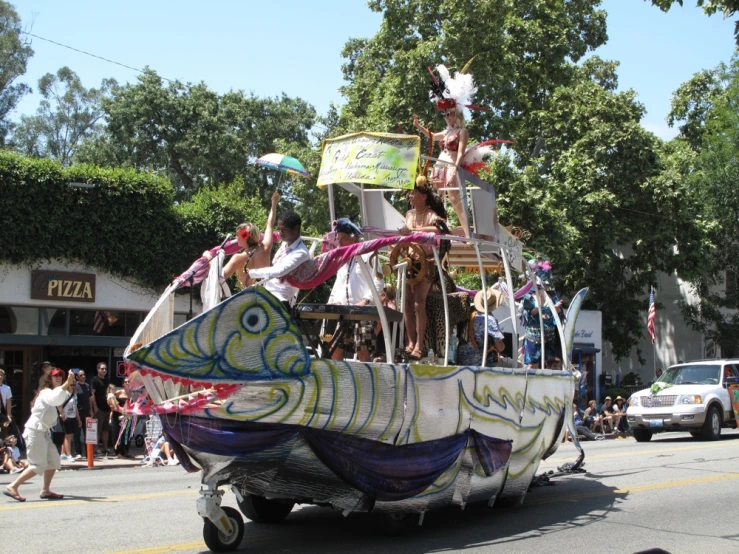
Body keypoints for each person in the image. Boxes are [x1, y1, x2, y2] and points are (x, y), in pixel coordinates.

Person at [4, 368, 77, 502]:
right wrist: (67, 382)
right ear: (50, 379)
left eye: (61, 375)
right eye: (56, 376)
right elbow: (55, 399)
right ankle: (13, 486)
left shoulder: (55, 392)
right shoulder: (45, 392)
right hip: (35, 430)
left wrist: (69, 384)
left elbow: (60, 398)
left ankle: (45, 490)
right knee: (38, 465)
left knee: (53, 461)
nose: (59, 377)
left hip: (44, 432)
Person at [398, 184, 447, 360]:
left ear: (424, 196)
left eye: (414, 194)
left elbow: (439, 229)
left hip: (426, 263)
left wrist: (413, 231)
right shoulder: (409, 214)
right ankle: (410, 343)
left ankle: (420, 345)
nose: (411, 197)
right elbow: (406, 233)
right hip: (410, 263)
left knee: (419, 303)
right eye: (410, 194)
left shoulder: (430, 214)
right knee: (407, 305)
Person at [327, 218, 384, 362]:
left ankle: (367, 383)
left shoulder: (369, 255)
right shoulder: (343, 259)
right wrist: (335, 301)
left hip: (364, 313)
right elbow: (338, 285)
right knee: (334, 349)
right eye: (337, 239)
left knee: (362, 351)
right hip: (345, 313)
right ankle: (341, 382)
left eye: (342, 239)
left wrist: (365, 301)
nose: (339, 243)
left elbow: (378, 282)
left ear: (353, 238)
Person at [213, 191, 280, 289]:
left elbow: (219, 277)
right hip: (265, 297)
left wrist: (209, 258)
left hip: (248, 299)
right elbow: (270, 225)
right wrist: (274, 203)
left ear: (244, 237)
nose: (236, 238)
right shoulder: (265, 248)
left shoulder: (238, 258)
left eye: (237, 235)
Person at [246, 211, 311, 310]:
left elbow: (280, 271)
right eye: (279, 229)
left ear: (296, 228)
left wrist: (252, 273)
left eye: (284, 229)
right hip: (267, 294)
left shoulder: (301, 252)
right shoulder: (284, 245)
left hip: (281, 301)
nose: (280, 233)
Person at [521, 260, 565, 368]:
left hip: (549, 339)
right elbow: (528, 314)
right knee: (533, 365)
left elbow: (560, 315)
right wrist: (541, 305)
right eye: (542, 284)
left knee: (551, 364)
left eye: (545, 284)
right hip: (533, 338)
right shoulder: (529, 298)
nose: (544, 287)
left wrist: (556, 309)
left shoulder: (552, 297)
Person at [457, 289, 506, 368]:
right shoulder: (490, 319)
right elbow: (500, 348)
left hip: (461, 361)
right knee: (514, 364)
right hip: (481, 363)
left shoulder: (467, 315)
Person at [90, 362, 112, 456]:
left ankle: (105, 448)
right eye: (102, 369)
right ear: (98, 369)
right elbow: (92, 394)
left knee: (105, 429)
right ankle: (95, 449)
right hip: (99, 409)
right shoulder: (95, 380)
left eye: (105, 369)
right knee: (97, 430)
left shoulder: (107, 380)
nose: (104, 370)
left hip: (107, 408)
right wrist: (94, 407)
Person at [59, 379, 81, 462]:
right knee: (67, 436)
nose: (73, 386)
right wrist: (62, 414)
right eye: (71, 385)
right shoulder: (65, 394)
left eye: (74, 385)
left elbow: (76, 408)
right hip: (66, 417)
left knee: (68, 436)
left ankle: (63, 453)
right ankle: (68, 454)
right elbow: (59, 405)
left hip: (72, 416)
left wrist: (78, 419)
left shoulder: (74, 395)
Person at [74, 369, 92, 458]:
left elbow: (89, 399)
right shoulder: (75, 386)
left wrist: (91, 410)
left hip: (87, 412)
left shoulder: (87, 386)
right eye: (81, 375)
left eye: (84, 375)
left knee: (87, 433)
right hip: (78, 412)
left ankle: (88, 452)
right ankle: (78, 452)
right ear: (77, 377)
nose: (83, 376)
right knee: (77, 433)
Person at [0, 368, 13, 439]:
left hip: (2, 413)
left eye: (1, 375)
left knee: (4, 432)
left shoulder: (7, 388)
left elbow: (8, 402)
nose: (0, 377)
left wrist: (8, 414)